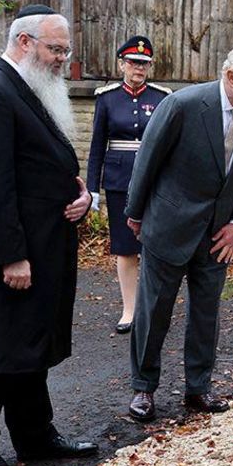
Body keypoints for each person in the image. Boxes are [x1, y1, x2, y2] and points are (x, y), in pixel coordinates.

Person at [0, 4, 98, 466]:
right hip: (6, 251)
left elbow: (43, 164)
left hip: (43, 244)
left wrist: (82, 196)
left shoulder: (31, 88)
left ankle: (34, 435)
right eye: (56, 49)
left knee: (29, 343)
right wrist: (12, 255)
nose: (63, 59)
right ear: (24, 42)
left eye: (65, 50)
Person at [125, 43, 233, 421]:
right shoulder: (184, 105)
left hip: (217, 236)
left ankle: (198, 389)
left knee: (206, 313)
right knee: (154, 311)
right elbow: (147, 160)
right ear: (230, 76)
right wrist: (135, 213)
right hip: (168, 226)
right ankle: (144, 389)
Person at [86, 36, 171, 334]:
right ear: (122, 64)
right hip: (119, 181)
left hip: (154, 182)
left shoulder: (162, 98)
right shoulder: (107, 98)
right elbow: (97, 146)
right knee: (125, 247)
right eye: (134, 63)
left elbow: (170, 146)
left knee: (154, 246)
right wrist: (92, 188)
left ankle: (153, 309)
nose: (139, 68)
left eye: (144, 63)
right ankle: (130, 310)